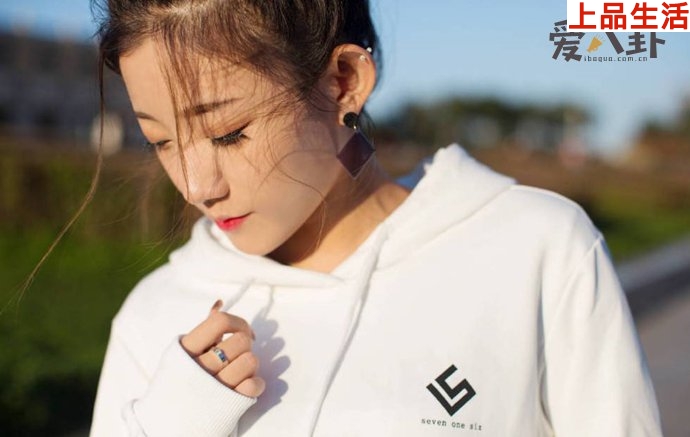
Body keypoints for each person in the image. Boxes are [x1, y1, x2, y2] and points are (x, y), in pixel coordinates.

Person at [89, 1, 662, 436]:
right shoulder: (158, 313)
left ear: (344, 82)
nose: (195, 187)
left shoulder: (534, 249)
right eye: (160, 141)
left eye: (227, 133)